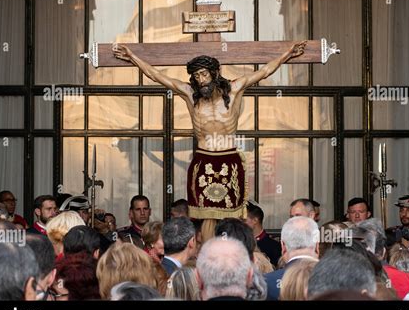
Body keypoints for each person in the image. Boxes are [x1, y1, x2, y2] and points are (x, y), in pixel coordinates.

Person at [113, 41, 307, 242]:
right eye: (197, 76)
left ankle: (236, 252)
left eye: (204, 74)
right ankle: (206, 255)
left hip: (229, 158)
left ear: (215, 73)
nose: (201, 80)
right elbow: (157, 75)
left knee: (233, 215)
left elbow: (265, 71)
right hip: (203, 159)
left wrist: (288, 54)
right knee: (206, 217)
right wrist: (132, 57)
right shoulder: (189, 94)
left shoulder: (234, 88)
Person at [245, 200, 281, 267]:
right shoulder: (240, 243)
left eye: (243, 220)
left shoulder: (274, 247)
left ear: (255, 220)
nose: (240, 223)